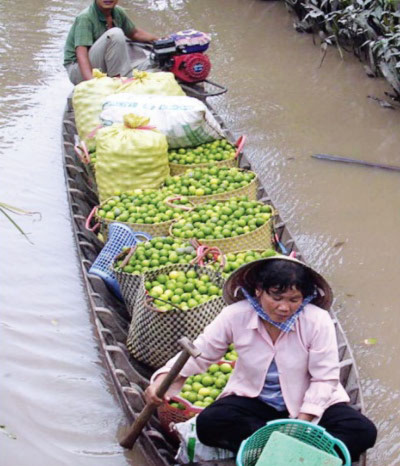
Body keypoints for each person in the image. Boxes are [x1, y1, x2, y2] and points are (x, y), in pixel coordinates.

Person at [145, 257, 377, 462]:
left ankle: (282, 454)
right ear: (259, 290)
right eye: (276, 297)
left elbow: (324, 379)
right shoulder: (236, 315)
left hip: (308, 406)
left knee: (362, 430)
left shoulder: (317, 320)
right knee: (209, 424)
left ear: (304, 298)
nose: (284, 307)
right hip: (258, 402)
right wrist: (163, 378)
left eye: (294, 299)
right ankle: (292, 455)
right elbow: (201, 352)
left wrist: (300, 423)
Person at [64, 0, 159, 85]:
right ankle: (118, 81)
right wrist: (92, 84)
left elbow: (135, 33)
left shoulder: (118, 12)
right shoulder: (85, 17)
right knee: (116, 34)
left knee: (133, 46)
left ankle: (127, 75)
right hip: (78, 70)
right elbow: (81, 55)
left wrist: (161, 41)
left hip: (100, 63)